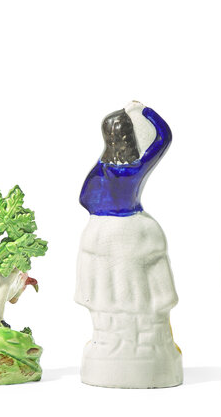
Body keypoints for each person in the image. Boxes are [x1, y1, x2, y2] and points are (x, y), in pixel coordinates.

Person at [75, 101, 182, 389]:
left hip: (101, 232)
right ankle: (134, 340)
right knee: (139, 286)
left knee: (107, 288)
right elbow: (163, 138)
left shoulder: (101, 170)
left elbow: (85, 198)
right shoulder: (135, 168)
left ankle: (113, 339)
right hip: (132, 229)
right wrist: (145, 112)